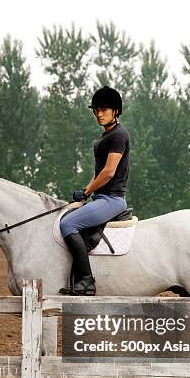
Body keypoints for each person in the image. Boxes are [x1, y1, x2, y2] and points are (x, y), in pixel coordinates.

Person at [59, 86, 130, 295]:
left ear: (116, 111)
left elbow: (108, 173)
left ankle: (86, 281)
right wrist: (86, 192)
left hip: (112, 199)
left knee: (68, 224)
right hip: (101, 198)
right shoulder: (105, 137)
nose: (99, 114)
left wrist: (88, 190)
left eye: (104, 109)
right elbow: (99, 173)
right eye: (96, 110)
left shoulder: (118, 135)